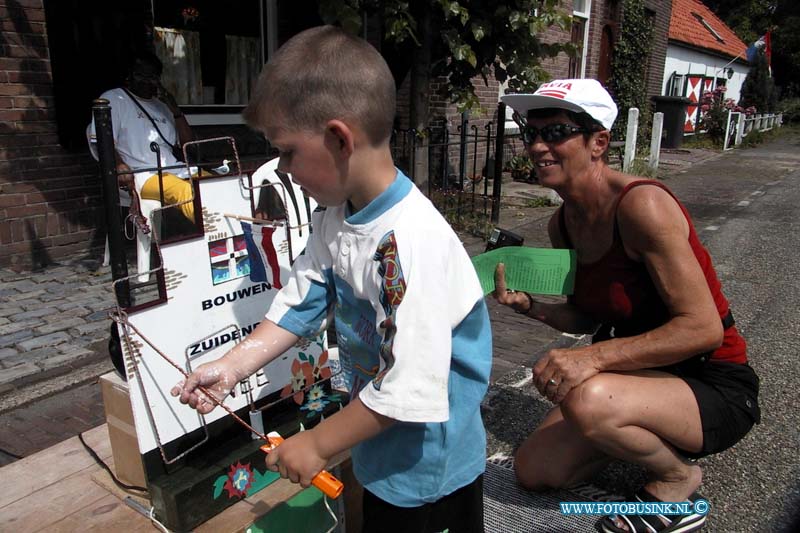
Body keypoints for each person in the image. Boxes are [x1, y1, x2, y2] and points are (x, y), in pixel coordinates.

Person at [171, 26, 492, 533]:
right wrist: (233, 366)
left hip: (428, 466)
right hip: (378, 435)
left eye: (288, 151)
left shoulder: (409, 244)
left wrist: (320, 443)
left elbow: (409, 387)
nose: (281, 167)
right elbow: (303, 298)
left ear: (339, 138)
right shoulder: (337, 214)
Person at [493, 79, 759, 533]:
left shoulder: (643, 206)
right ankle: (632, 428)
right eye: (529, 133)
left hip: (711, 382)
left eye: (555, 132)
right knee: (534, 470)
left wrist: (591, 359)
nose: (537, 146)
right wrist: (531, 307)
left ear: (599, 142)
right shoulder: (564, 222)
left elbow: (703, 329)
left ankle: (677, 478)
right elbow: (588, 315)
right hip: (639, 376)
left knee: (589, 397)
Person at [86, 51, 196, 225]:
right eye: (140, 75)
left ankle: (236, 234)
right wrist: (119, 165)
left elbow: (188, 145)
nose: (146, 81)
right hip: (141, 174)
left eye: (151, 77)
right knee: (186, 192)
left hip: (175, 169)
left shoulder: (161, 106)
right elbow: (102, 143)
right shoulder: (114, 98)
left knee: (215, 183)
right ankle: (215, 237)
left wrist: (175, 110)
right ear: (129, 75)